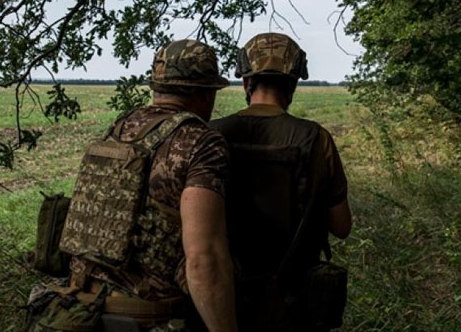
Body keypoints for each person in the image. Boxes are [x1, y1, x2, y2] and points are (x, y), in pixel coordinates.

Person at [28, 39, 238, 332]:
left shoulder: (122, 126)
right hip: (144, 317)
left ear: (156, 87)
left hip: (78, 306)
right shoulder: (202, 142)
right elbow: (205, 260)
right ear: (206, 94)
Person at [210, 33, 352, 332]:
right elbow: (341, 226)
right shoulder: (316, 138)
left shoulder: (211, 134)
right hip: (293, 302)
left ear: (246, 83)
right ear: (293, 84)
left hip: (222, 298)